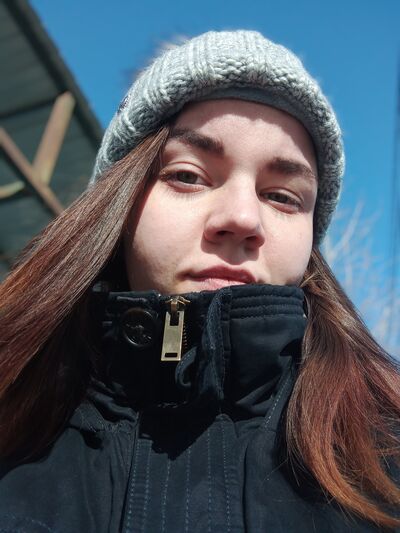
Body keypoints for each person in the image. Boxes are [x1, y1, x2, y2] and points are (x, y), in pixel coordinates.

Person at [0, 30, 399, 533]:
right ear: (119, 204)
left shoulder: (385, 455)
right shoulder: (15, 421)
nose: (242, 218)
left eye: (282, 196)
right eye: (188, 175)